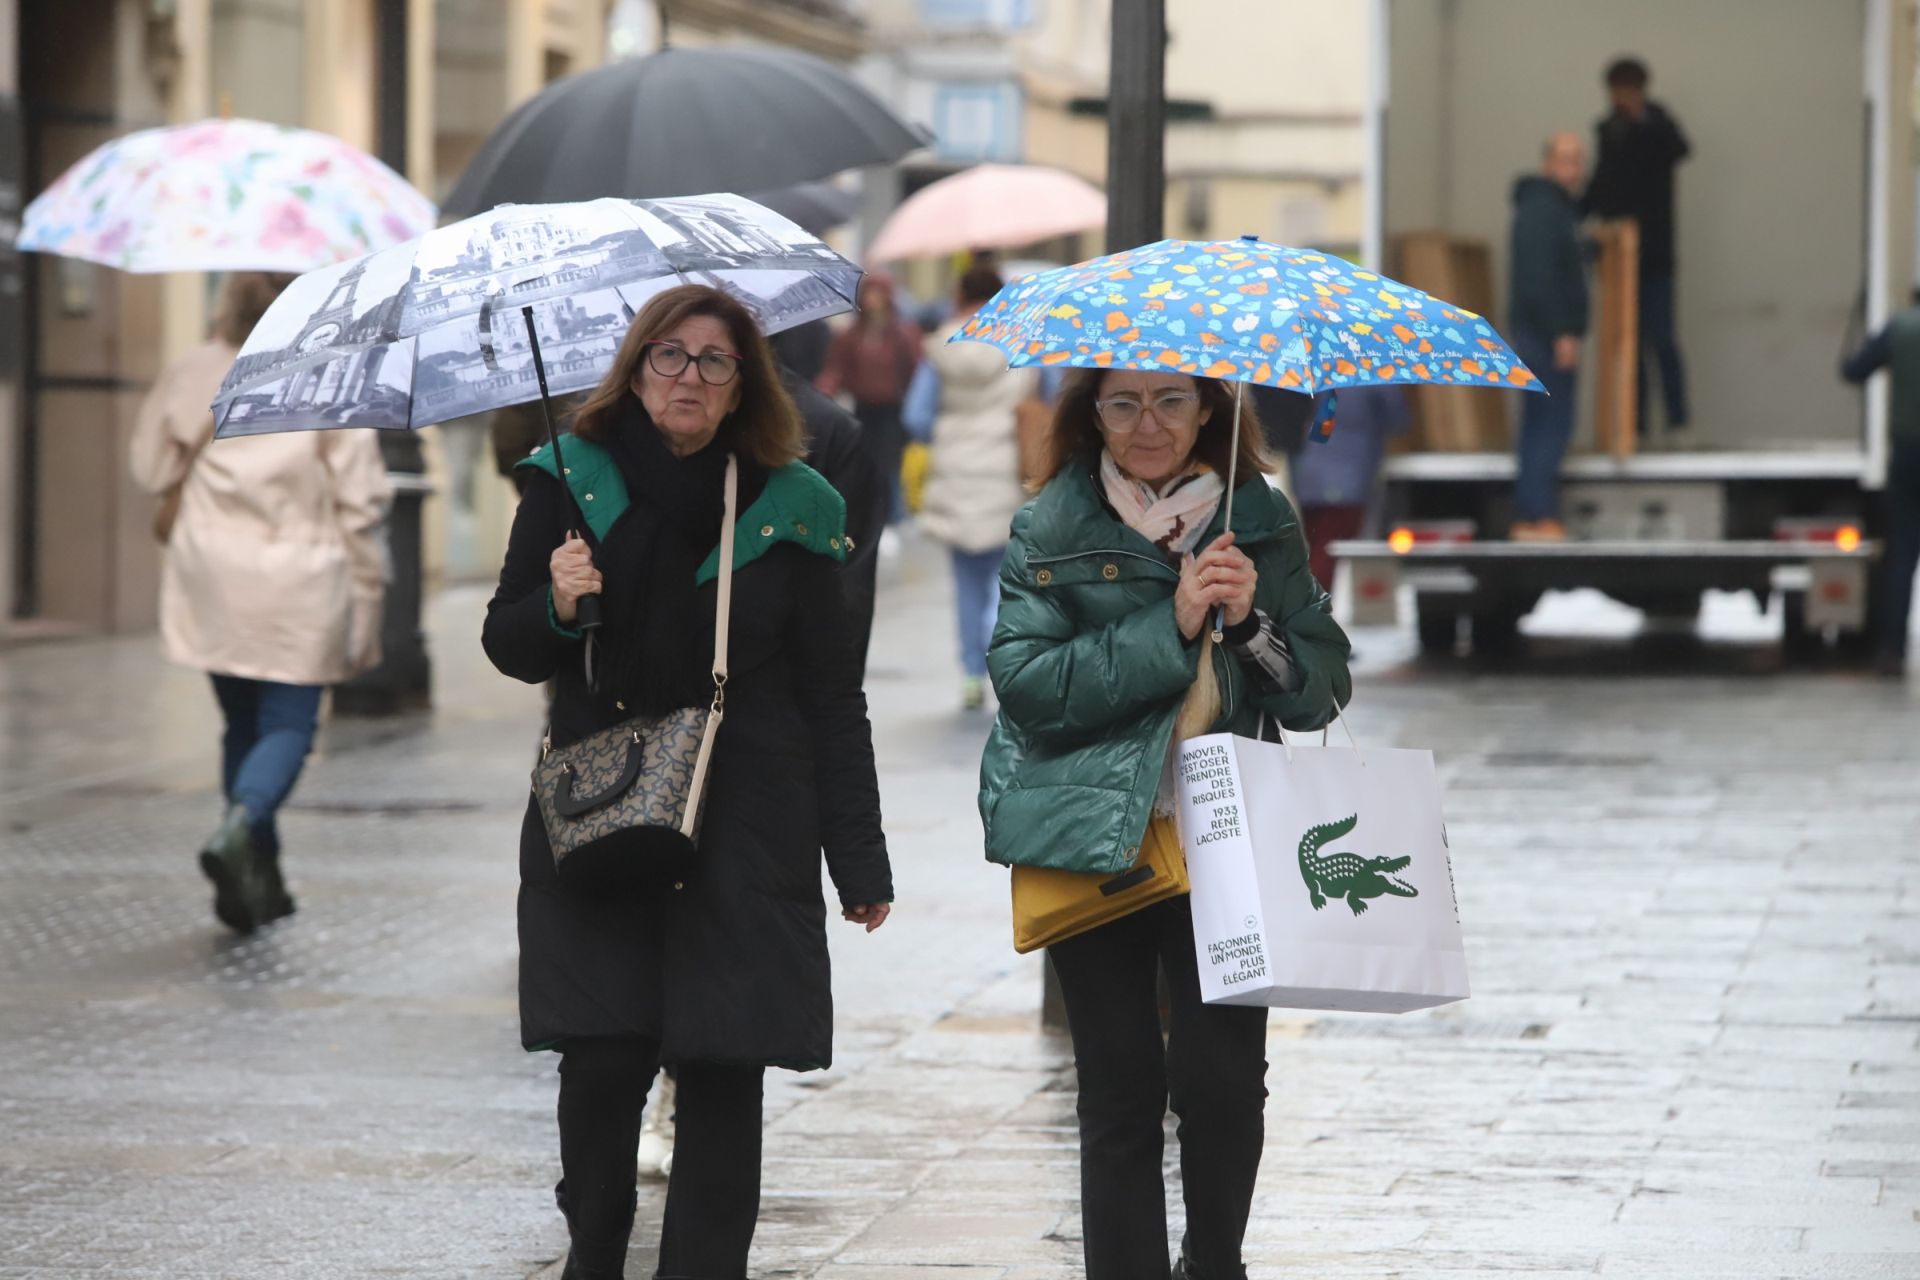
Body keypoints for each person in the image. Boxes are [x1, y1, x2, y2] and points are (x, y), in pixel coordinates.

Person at [482, 283, 893, 1280]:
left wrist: (859, 857)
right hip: (601, 811)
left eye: (715, 360)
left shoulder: (795, 505)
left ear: (744, 383)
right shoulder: (569, 482)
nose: (689, 377)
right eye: (669, 355)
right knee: (602, 1056)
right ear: (635, 370)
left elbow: (832, 692)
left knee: (722, 1065)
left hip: (746, 820)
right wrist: (558, 605)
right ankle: (595, 1245)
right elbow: (507, 643)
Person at [979, 368, 1352, 1280]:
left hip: (1225, 837)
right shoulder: (1051, 523)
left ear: (1209, 409)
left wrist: (1250, 622)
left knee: (1224, 1085)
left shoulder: (1258, 516)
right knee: (1119, 1089)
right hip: (1089, 828)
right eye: (1123, 403)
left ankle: (1214, 1263)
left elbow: (1323, 688)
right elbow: (1028, 685)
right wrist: (1174, 623)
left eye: (1171, 401)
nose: (1147, 423)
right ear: (1092, 413)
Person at [128, 271, 391, 934]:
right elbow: (360, 503)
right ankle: (243, 822)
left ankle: (258, 879)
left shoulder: (194, 369)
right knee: (289, 727)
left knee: (241, 724)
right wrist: (368, 596)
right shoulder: (334, 373)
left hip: (212, 574)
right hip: (301, 575)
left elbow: (151, 470)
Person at [903, 264, 1037, 709]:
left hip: (956, 473)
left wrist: (949, 434)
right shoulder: (1020, 343)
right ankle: (998, 652)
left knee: (965, 582)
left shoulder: (942, 347)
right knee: (1005, 577)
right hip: (1008, 472)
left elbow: (916, 417)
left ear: (960, 295)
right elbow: (1047, 401)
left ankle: (970, 676)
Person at [1582, 56, 1691, 434]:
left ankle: (1677, 421)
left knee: (1662, 339)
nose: (1620, 100)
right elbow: (1602, 183)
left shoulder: (1658, 124)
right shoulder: (1608, 130)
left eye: (1627, 92)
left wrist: (1642, 120)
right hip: (1619, 255)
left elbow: (1680, 149)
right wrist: (1580, 214)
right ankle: (1637, 424)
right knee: (1629, 344)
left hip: (1655, 255)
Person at [1509, 130, 1592, 541]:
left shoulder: (1556, 210)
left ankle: (1531, 514)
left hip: (1540, 332)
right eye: (1564, 159)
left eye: (1577, 160)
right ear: (1548, 163)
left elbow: (1563, 262)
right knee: (1549, 424)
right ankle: (1538, 515)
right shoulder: (1543, 210)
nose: (1572, 169)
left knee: (1540, 422)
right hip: (1543, 335)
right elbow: (1540, 279)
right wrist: (1561, 332)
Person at [1841, 293, 1920, 676]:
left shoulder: (1899, 328)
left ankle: (1891, 649)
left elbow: (1855, 371)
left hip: (1907, 455)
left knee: (1901, 555)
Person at [817, 271, 922, 521]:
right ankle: (872, 515)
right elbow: (836, 368)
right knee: (865, 462)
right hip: (864, 407)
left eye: (878, 293)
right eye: (869, 293)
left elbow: (915, 369)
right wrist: (824, 390)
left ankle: (893, 516)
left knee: (889, 466)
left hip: (892, 410)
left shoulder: (901, 334)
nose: (873, 299)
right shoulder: (852, 334)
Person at [1288, 385, 1412, 585]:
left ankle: (1313, 597)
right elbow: (1398, 420)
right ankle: (1315, 601)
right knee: (1329, 552)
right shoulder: (1375, 379)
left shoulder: (1328, 379)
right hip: (1345, 480)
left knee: (1318, 544)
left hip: (1311, 476)